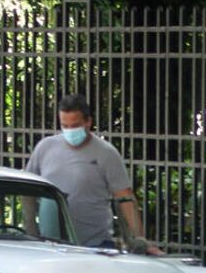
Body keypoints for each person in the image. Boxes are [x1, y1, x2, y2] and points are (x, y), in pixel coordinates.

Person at [25, 93, 161, 254]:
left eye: (75, 126)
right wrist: (31, 232)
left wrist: (140, 239)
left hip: (95, 244)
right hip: (52, 245)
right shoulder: (45, 148)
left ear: (88, 122)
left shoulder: (106, 153)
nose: (69, 131)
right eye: (65, 126)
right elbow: (28, 192)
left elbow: (125, 197)